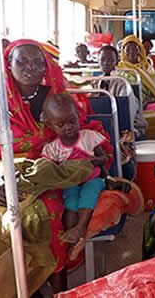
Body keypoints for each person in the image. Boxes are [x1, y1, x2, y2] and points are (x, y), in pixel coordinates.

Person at [0, 39, 112, 296]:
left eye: (37, 62)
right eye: (21, 61)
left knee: (50, 212)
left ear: (46, 67)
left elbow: (83, 135)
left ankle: (57, 286)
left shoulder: (58, 101)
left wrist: (91, 159)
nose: (30, 68)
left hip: (51, 171)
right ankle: (11, 285)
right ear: (8, 64)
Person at [41, 94, 107, 247]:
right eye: (61, 124)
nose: (68, 127)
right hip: (70, 183)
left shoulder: (89, 137)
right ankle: (72, 239)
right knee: (71, 202)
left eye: (72, 121)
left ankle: (81, 227)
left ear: (78, 116)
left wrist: (95, 161)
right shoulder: (53, 148)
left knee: (88, 196)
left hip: (92, 179)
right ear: (50, 126)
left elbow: (104, 157)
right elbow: (50, 169)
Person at [95, 45, 147, 138]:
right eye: (102, 59)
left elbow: (125, 111)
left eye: (110, 60)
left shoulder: (122, 82)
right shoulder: (95, 81)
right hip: (105, 122)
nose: (106, 63)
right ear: (98, 61)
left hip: (127, 124)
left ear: (116, 62)